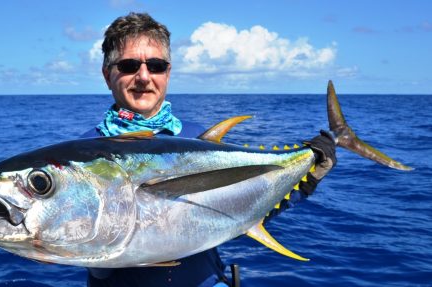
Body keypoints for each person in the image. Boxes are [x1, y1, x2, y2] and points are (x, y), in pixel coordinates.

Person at [83, 12, 336, 287]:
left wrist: (306, 183)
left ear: (167, 73)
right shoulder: (83, 155)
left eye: (155, 65)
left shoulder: (198, 139)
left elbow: (238, 210)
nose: (144, 77)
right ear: (108, 75)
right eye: (129, 65)